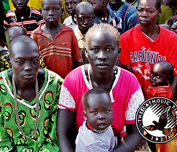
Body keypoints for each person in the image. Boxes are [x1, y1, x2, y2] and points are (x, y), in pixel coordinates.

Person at [57, 24, 145, 152]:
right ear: (86, 53)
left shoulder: (130, 82)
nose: (102, 56)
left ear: (118, 52)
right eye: (95, 49)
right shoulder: (72, 80)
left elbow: (136, 133)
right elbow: (64, 134)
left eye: (109, 49)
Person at [0, 35, 62, 152]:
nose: (28, 67)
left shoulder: (54, 84)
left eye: (34, 61)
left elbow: (54, 135)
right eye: (20, 62)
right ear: (9, 62)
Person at [119, 0, 177, 99]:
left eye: (150, 11)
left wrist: (167, 104)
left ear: (159, 11)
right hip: (135, 97)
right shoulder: (125, 38)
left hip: (162, 98)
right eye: (140, 10)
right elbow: (129, 76)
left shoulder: (171, 38)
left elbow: (175, 76)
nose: (144, 15)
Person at [31, 0, 81, 78]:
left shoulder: (69, 32)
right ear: (41, 12)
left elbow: (76, 60)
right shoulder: (36, 35)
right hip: (45, 83)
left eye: (55, 9)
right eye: (46, 9)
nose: (51, 13)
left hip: (66, 81)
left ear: (61, 11)